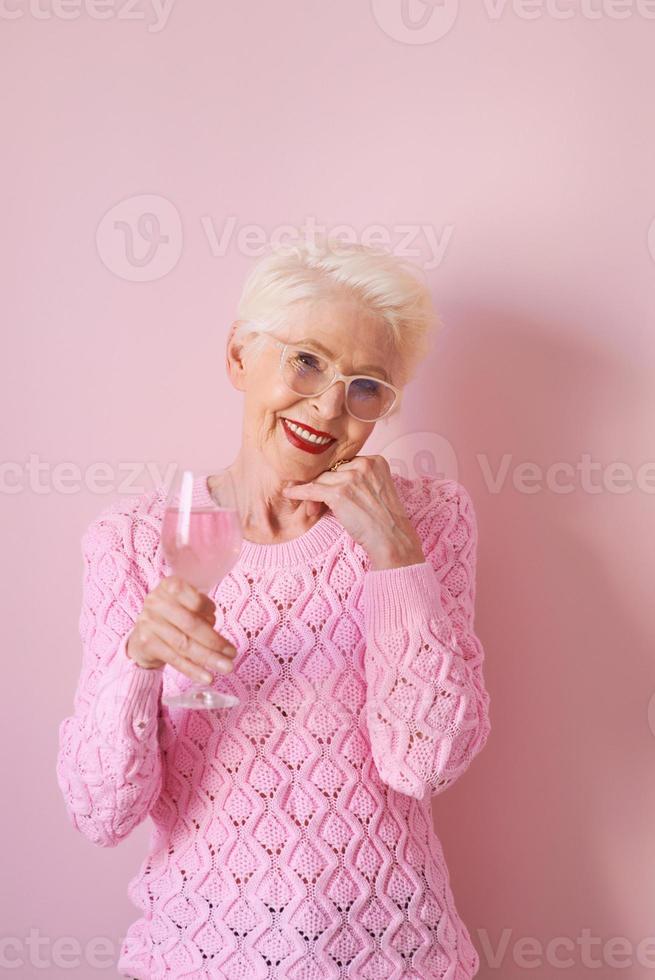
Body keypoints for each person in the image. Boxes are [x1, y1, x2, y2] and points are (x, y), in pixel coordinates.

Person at [56, 235, 492, 979]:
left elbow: (423, 763)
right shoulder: (132, 539)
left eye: (365, 386)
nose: (327, 406)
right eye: (307, 360)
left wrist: (394, 556)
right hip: (196, 958)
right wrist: (138, 662)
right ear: (238, 357)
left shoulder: (427, 521)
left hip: (393, 959)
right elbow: (101, 812)